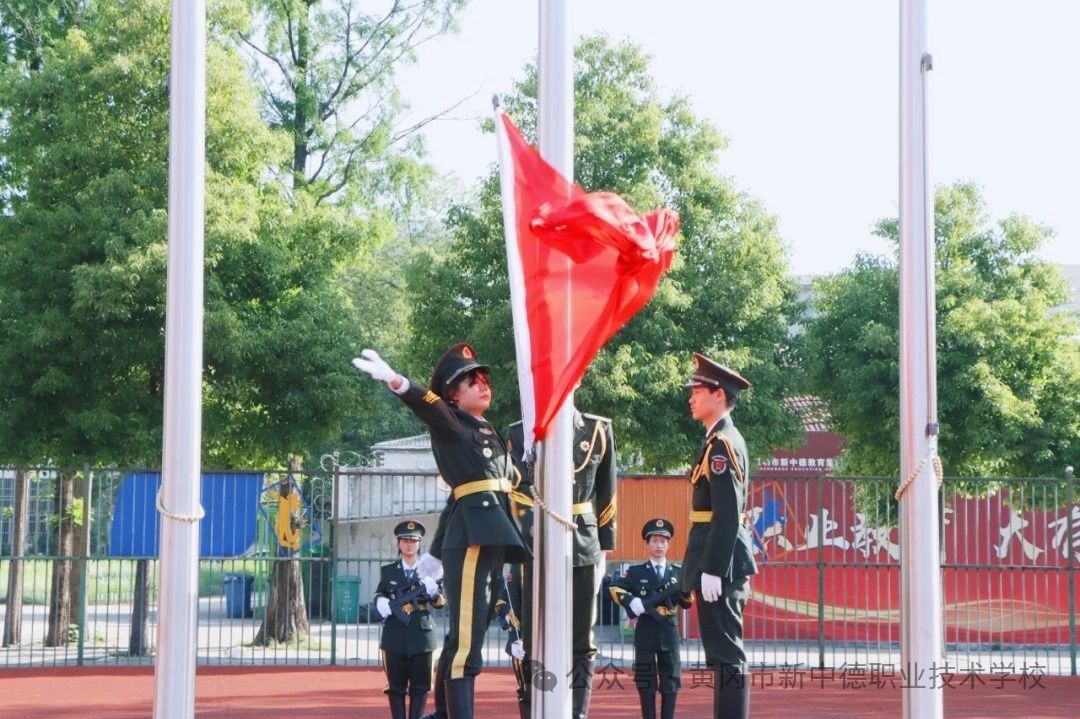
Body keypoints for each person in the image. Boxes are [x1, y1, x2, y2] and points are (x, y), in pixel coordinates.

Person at [353, 343, 530, 719]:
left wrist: (433, 553)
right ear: (453, 395)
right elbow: (429, 406)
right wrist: (398, 382)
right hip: (473, 538)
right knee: (466, 638)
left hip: (494, 533)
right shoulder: (452, 423)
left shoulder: (490, 432)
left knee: (471, 630)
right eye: (472, 381)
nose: (483, 386)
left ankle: (443, 714)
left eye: (484, 379)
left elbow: (463, 497)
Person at [506, 407, 617, 719]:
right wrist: (529, 527)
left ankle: (578, 712)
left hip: (582, 541)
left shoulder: (598, 429)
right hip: (535, 542)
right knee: (532, 634)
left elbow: (607, 491)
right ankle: (535, 707)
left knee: (582, 637)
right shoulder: (522, 431)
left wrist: (604, 548)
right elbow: (516, 490)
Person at [679, 352, 756, 719]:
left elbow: (726, 514)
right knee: (722, 656)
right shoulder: (717, 440)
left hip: (720, 564)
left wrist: (713, 568)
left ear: (719, 394)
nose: (691, 398)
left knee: (727, 655)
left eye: (698, 391)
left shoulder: (722, 444)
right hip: (717, 560)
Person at [609, 519, 693, 719]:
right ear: (647, 544)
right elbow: (613, 588)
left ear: (668, 544)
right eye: (654, 541)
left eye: (663, 541)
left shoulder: (678, 572)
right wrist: (631, 601)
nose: (659, 545)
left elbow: (687, 603)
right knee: (646, 681)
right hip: (646, 629)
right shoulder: (636, 572)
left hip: (669, 629)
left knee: (671, 680)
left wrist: (685, 591)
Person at [374, 520, 446, 719]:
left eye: (413, 541)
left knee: (420, 687)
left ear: (419, 543)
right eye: (405, 540)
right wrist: (380, 600)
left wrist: (433, 593)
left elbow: (440, 603)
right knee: (395, 687)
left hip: (422, 634)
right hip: (394, 633)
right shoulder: (388, 570)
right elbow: (380, 592)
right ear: (398, 543)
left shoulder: (431, 570)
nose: (409, 544)